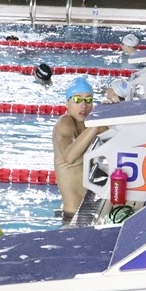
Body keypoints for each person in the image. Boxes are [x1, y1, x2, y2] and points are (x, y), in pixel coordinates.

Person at [52, 76, 106, 222]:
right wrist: (96, 124)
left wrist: (113, 105)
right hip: (73, 216)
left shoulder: (88, 123)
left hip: (89, 207)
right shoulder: (65, 123)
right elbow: (69, 157)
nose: (83, 105)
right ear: (67, 103)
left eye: (88, 100)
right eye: (77, 100)